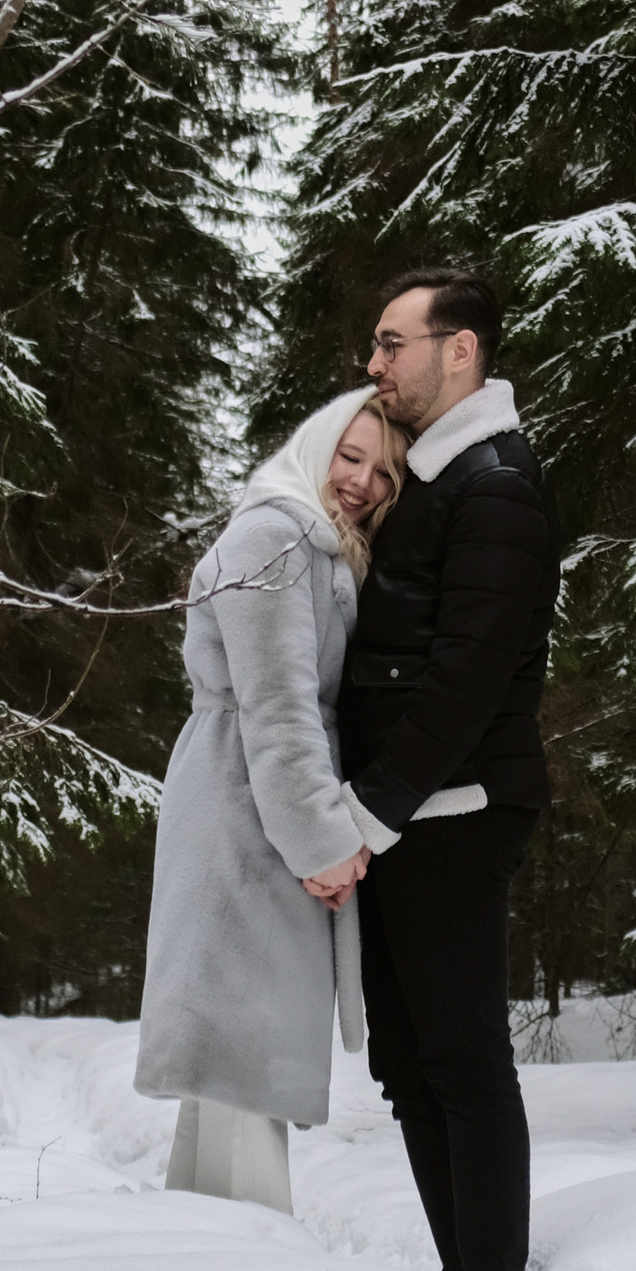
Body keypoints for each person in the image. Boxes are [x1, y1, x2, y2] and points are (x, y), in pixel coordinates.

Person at [334, 264, 561, 1271]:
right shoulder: (437, 477)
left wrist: (364, 814)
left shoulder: (496, 484)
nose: (372, 364)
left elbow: (467, 678)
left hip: (454, 812)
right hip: (405, 814)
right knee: (408, 1065)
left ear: (457, 349)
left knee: (461, 1062)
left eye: (392, 343)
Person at [134, 392, 405, 1213]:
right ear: (315, 445)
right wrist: (323, 842)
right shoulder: (277, 534)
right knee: (240, 1055)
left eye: (384, 473)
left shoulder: (314, 546)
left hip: (253, 806)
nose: (361, 482)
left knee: (231, 1069)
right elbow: (280, 709)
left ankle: (201, 1246)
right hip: (243, 813)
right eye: (349, 457)